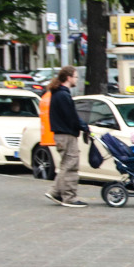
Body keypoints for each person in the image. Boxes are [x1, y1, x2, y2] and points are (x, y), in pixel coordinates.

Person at [44, 66, 90, 208]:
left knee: (66, 164)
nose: (77, 79)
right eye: (76, 77)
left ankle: (56, 191)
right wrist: (83, 126)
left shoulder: (58, 93)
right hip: (66, 134)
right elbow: (71, 116)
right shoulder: (63, 95)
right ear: (68, 77)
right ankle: (69, 197)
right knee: (71, 165)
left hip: (61, 134)